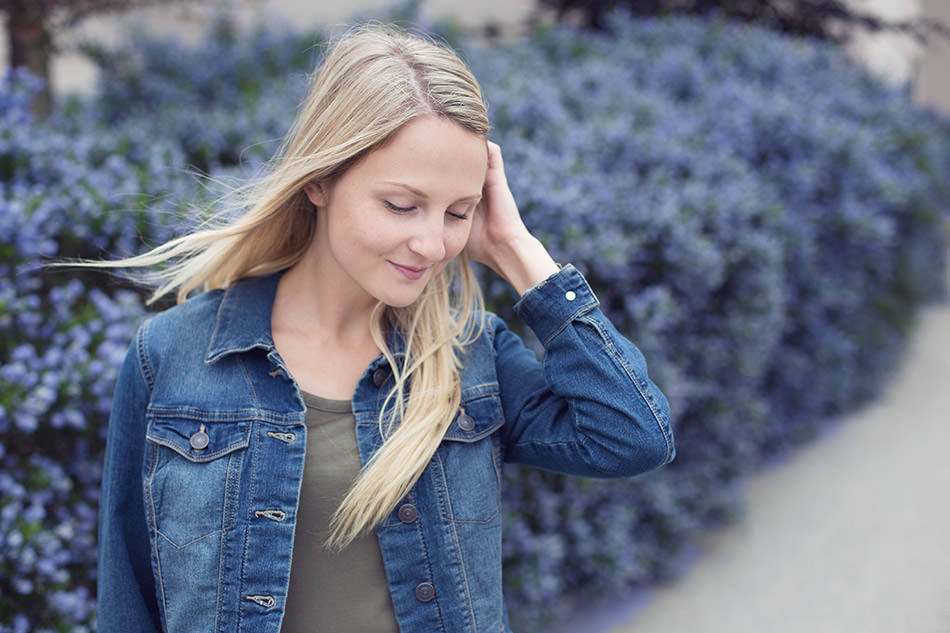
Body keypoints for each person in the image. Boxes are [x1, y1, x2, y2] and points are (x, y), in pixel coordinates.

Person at [95, 25, 675, 633]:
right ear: (319, 180)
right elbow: (128, 598)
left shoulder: (470, 356)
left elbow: (632, 436)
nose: (431, 245)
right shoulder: (174, 357)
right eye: (401, 205)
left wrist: (519, 252)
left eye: (458, 212)